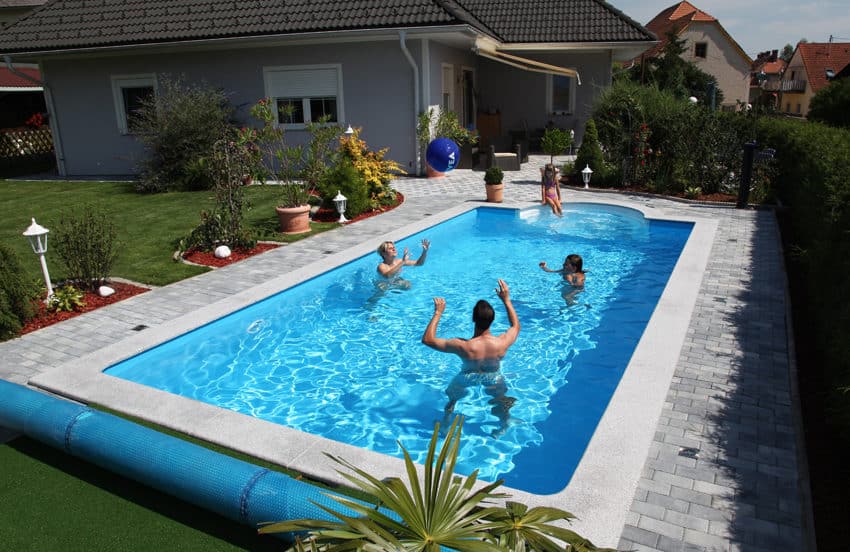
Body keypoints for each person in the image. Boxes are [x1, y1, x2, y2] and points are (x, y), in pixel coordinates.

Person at [422, 279, 520, 437]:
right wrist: (506, 300)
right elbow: (516, 326)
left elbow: (428, 340)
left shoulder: (463, 346)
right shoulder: (502, 342)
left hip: (467, 376)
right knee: (501, 400)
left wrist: (438, 313)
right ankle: (504, 423)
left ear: (473, 319)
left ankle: (445, 426)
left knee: (452, 398)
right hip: (493, 377)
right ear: (492, 320)